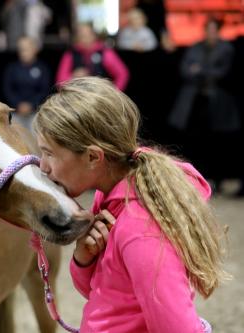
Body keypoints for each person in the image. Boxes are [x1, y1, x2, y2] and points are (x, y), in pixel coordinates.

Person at [33, 76, 229, 332]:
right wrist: (84, 259)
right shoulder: (109, 197)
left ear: (93, 157)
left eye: (49, 154)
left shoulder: (141, 230)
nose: (43, 166)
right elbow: (103, 295)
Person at [168, 18, 239, 191]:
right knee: (196, 142)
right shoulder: (195, 47)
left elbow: (223, 73)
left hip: (217, 103)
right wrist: (205, 71)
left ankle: (218, 180)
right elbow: (185, 70)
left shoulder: (226, 48)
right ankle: (198, 178)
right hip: (195, 104)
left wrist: (200, 70)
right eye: (208, 30)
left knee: (217, 143)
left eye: (214, 30)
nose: (210, 33)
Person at [55, 23, 129, 90]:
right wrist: (72, 77)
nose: (85, 38)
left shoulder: (105, 52)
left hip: (100, 95)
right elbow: (60, 81)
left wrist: (113, 93)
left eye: (88, 34)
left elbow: (122, 74)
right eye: (81, 35)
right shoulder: (71, 54)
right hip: (77, 97)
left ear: (94, 35)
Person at [2, 36, 50, 130]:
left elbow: (45, 90)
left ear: (35, 49)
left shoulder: (43, 68)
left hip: (36, 113)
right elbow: (7, 89)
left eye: (27, 48)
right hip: (16, 113)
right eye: (21, 49)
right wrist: (17, 104)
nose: (24, 52)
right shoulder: (12, 68)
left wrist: (31, 105)